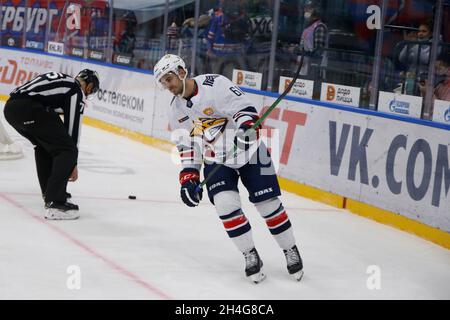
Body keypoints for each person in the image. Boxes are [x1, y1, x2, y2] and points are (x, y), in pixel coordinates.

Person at [154, 54, 303, 283]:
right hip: (216, 160)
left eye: (169, 78)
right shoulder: (176, 110)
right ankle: (250, 254)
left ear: (182, 72)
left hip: (251, 153)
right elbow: (187, 146)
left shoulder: (215, 84)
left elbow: (243, 109)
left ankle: (290, 249)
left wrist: (246, 127)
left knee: (269, 205)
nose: (168, 85)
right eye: (163, 82)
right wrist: (189, 176)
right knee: (225, 207)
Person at [3, 69, 100, 220]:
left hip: (10, 109)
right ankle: (55, 202)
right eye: (91, 89)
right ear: (89, 86)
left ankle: (50, 192)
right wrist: (72, 163)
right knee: (67, 150)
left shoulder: (64, 81)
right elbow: (72, 130)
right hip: (30, 109)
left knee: (44, 146)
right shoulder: (76, 90)